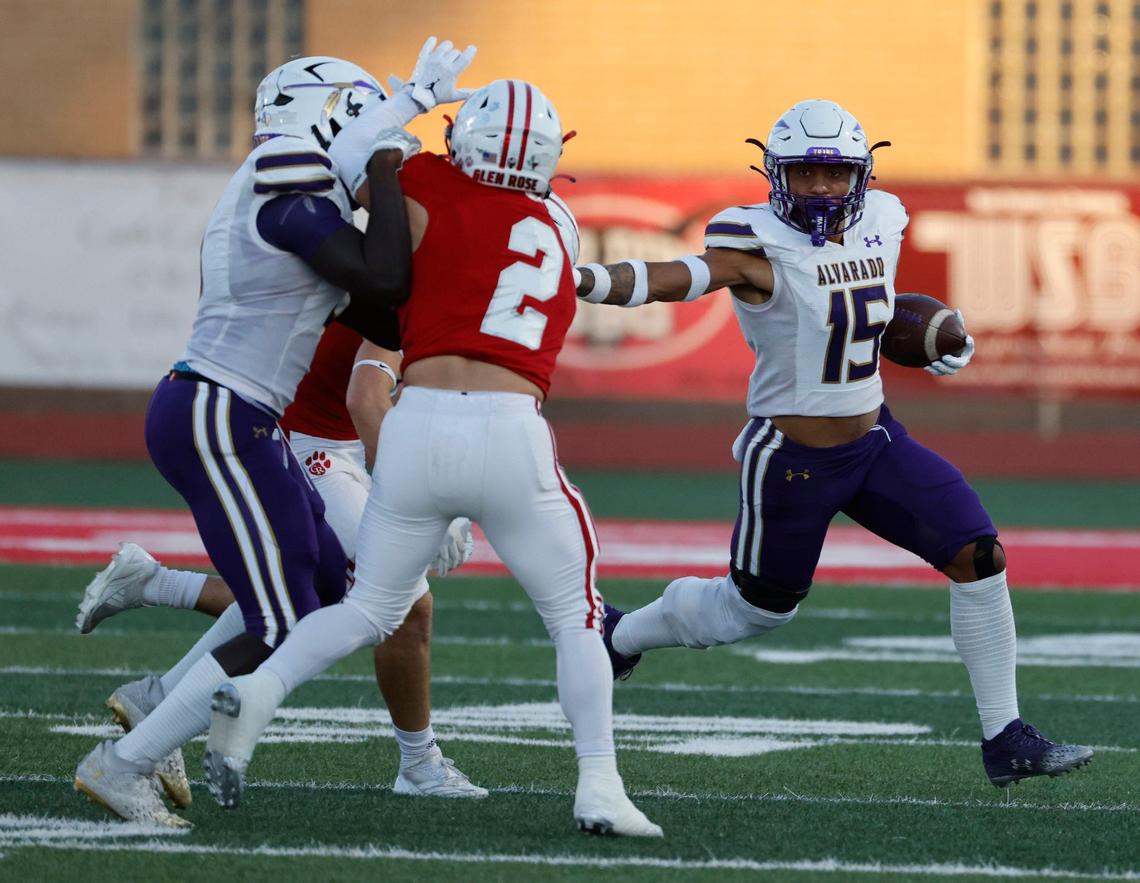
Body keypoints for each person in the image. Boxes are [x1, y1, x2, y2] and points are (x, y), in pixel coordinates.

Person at [573, 99, 1093, 789]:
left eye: (835, 172)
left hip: (876, 439)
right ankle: (621, 635)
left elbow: (869, 300)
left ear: (862, 175)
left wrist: (937, 337)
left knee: (979, 551)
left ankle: (1005, 737)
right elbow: (678, 276)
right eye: (806, 172)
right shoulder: (754, 240)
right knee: (754, 609)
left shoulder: (884, 218)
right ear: (776, 175)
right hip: (791, 458)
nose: (821, 187)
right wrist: (585, 280)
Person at [202, 79, 662, 838]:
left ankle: (260, 691)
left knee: (369, 608)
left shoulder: (422, 180)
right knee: (576, 615)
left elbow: (374, 201)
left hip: (414, 425)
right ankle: (600, 786)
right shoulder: (560, 219)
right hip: (511, 428)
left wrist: (392, 136)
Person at [73, 41, 479, 827]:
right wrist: (392, 160)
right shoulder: (284, 169)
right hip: (219, 412)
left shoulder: (306, 197)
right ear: (326, 117)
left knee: (332, 588)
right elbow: (384, 276)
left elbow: (393, 310)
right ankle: (124, 762)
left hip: (241, 418)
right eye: (359, 117)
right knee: (283, 618)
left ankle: (157, 702)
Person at [75, 320, 481, 808]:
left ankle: (158, 681)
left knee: (301, 599)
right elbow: (367, 395)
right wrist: (421, 498)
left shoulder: (443, 273)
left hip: (317, 434)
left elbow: (415, 394)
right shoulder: (406, 265)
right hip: (298, 437)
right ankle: (418, 763)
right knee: (393, 600)